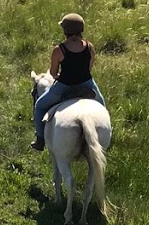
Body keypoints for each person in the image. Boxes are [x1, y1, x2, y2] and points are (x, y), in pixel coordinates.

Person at [31, 12, 106, 151]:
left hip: (64, 86)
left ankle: (40, 140)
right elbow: (90, 66)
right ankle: (107, 136)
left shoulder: (59, 50)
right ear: (81, 30)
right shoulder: (90, 47)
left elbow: (53, 73)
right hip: (87, 84)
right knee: (102, 106)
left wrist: (61, 76)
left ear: (65, 30)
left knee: (39, 106)